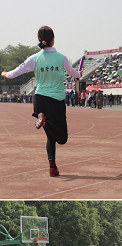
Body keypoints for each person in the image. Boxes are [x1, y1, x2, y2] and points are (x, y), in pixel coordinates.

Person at [1, 26, 81, 177]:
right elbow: (75, 74)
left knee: (51, 136)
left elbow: (17, 71)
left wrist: (6, 74)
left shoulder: (35, 58)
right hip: (56, 100)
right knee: (62, 138)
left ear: (40, 39)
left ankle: (52, 167)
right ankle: (46, 122)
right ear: (53, 40)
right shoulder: (61, 58)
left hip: (40, 100)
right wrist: (79, 74)